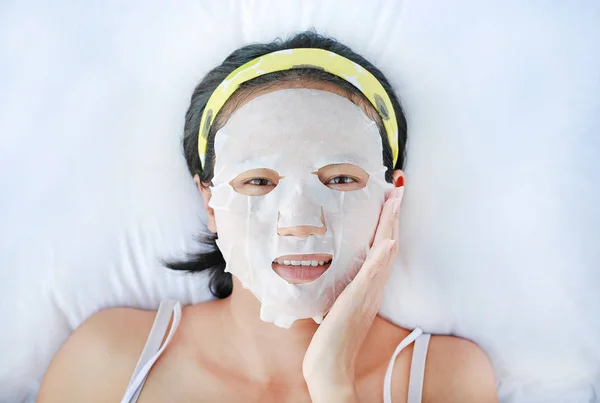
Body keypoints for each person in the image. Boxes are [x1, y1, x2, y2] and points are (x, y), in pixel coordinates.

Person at [38, 31, 498, 403]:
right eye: (258, 182)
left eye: (340, 180)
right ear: (209, 200)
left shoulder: (447, 380)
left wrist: (333, 381)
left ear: (389, 198)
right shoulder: (108, 359)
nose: (299, 222)